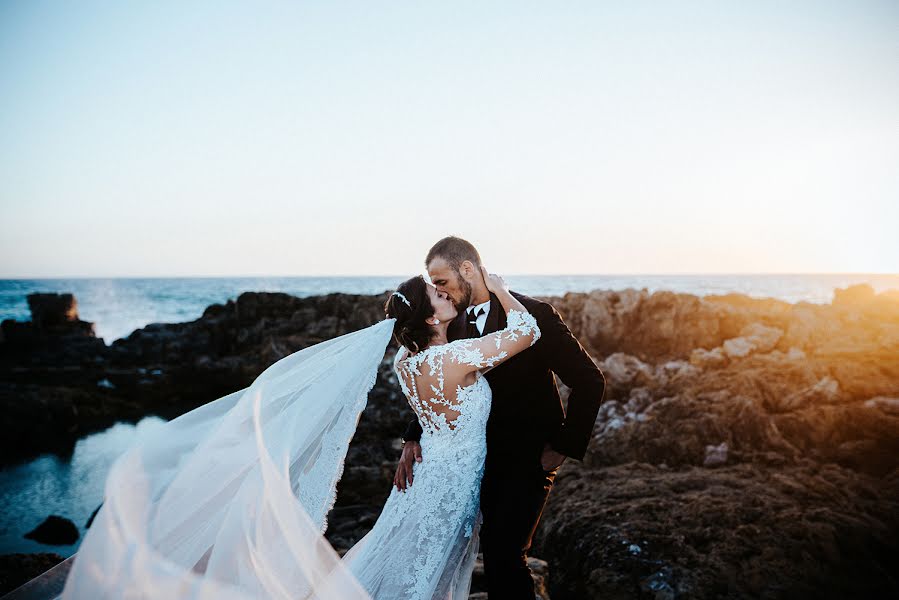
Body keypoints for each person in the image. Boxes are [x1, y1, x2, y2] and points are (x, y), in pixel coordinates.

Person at [8, 265, 543, 600]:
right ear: (430, 318)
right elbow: (527, 332)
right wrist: (501, 289)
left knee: (397, 561)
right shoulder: (452, 357)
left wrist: (414, 439)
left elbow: (433, 414)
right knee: (419, 575)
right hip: (449, 488)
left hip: (431, 482)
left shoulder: (407, 360)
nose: (447, 296)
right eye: (439, 296)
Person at [394, 236, 606, 599]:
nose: (439, 292)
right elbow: (442, 386)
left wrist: (562, 447)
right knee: (449, 553)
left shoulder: (532, 312)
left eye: (441, 282)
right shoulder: (450, 323)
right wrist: (414, 436)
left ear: (467, 269)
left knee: (505, 557)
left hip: (525, 458)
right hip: (470, 461)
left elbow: (589, 380)